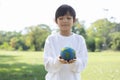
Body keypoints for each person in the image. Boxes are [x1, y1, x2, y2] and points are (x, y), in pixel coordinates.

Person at [43, 4, 88, 80]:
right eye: (61, 18)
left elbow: (82, 65)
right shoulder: (51, 39)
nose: (65, 21)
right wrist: (58, 61)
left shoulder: (80, 39)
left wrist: (74, 61)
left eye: (68, 18)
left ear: (74, 20)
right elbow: (48, 65)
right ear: (55, 21)